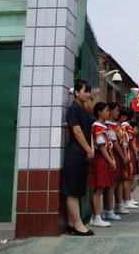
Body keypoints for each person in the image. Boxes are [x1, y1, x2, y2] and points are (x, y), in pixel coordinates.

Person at [62, 79, 95, 236]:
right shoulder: (73, 110)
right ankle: (78, 224)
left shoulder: (84, 110)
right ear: (76, 92)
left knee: (77, 189)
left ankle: (70, 224)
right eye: (85, 91)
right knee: (73, 191)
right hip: (75, 153)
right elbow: (77, 132)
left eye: (89, 91)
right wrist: (88, 149)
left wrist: (91, 149)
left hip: (83, 154)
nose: (88, 94)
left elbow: (90, 132)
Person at [89, 102, 114, 228]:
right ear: (99, 113)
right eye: (107, 110)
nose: (108, 113)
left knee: (99, 189)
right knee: (99, 190)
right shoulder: (98, 128)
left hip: (102, 159)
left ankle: (94, 217)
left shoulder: (101, 127)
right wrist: (110, 161)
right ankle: (97, 217)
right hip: (101, 159)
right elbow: (102, 147)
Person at [104, 103, 129, 216]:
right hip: (114, 155)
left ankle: (117, 206)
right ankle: (109, 210)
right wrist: (123, 156)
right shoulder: (108, 126)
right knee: (112, 184)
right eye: (116, 110)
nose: (118, 113)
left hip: (119, 156)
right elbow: (114, 143)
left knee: (118, 181)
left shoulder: (114, 125)